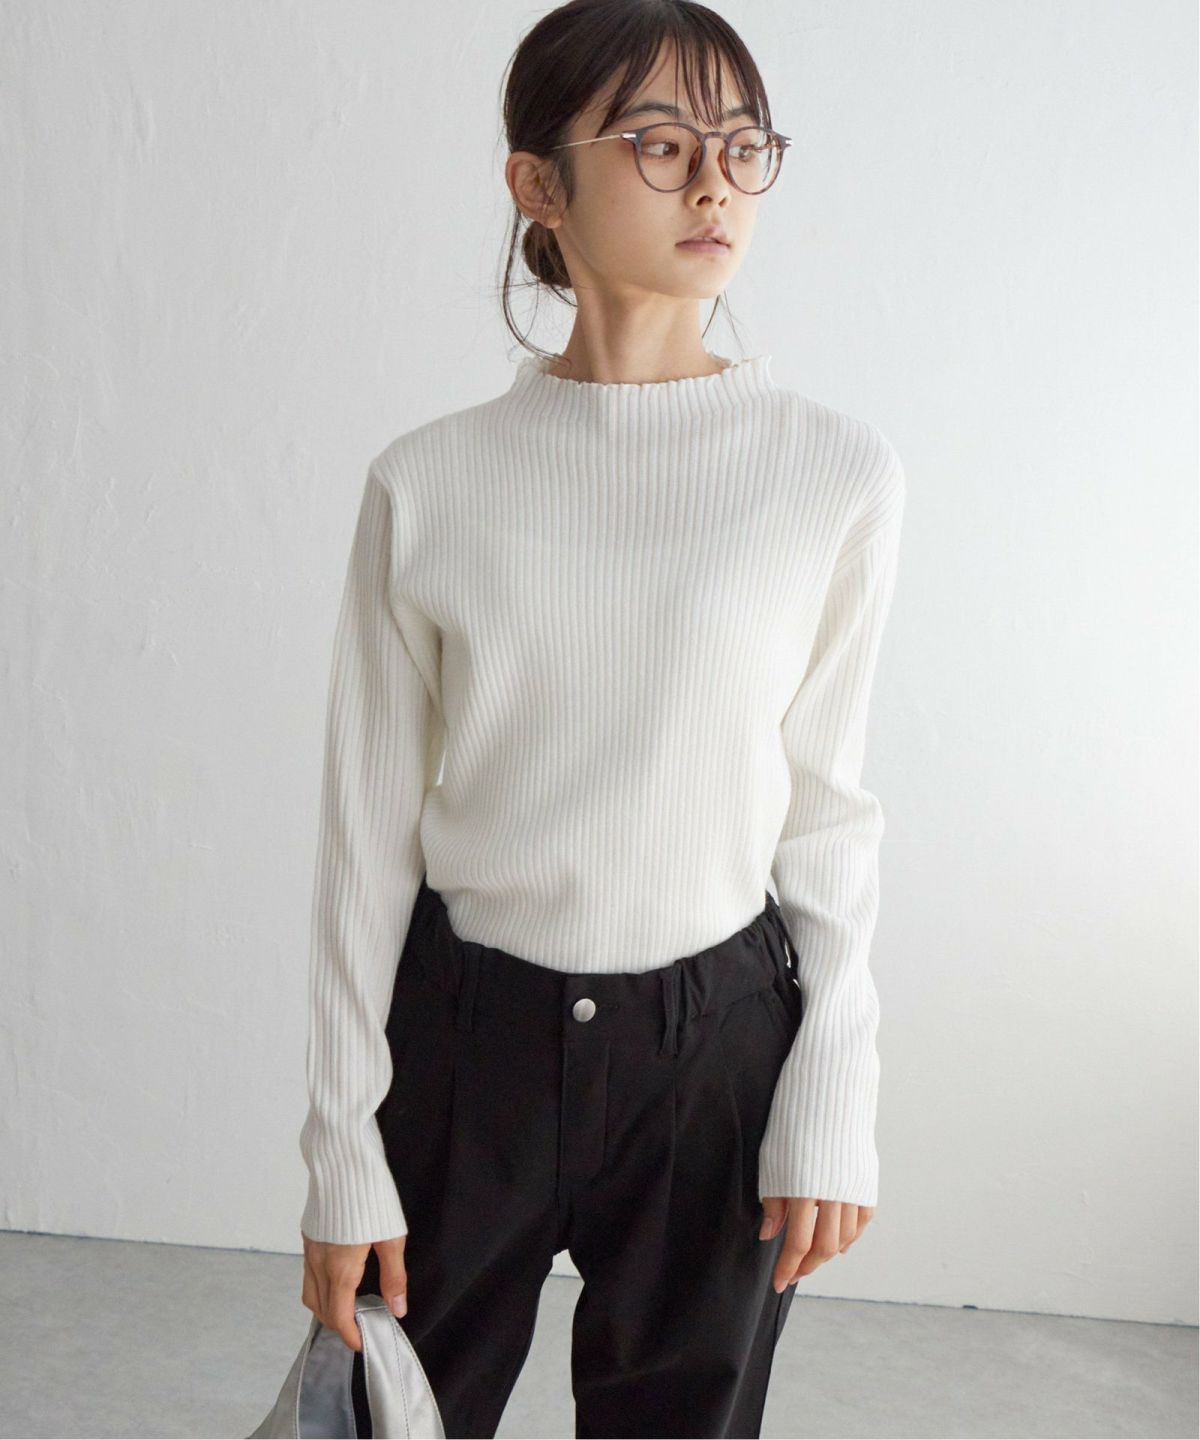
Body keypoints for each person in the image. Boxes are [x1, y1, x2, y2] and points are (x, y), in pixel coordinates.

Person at [295, 2, 906, 1436]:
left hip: (719, 1047)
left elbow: (828, 808)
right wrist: (339, 1148)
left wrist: (835, 1090)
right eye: (661, 143)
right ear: (539, 183)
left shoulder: (833, 472)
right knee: (387, 1416)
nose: (715, 184)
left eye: (744, 147)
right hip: (467, 1043)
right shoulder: (428, 484)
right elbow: (362, 840)